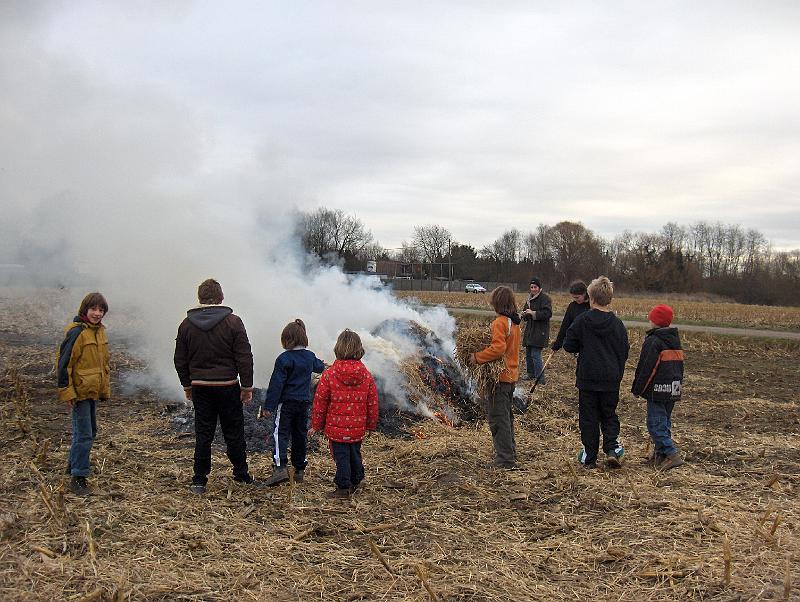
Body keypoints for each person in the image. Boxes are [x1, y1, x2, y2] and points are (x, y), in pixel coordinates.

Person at [174, 279, 259, 494]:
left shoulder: (186, 325)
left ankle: (199, 480)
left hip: (201, 387)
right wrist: (247, 387)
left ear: (200, 299)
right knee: (234, 432)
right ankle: (241, 474)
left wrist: (187, 384)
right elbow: (244, 357)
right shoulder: (233, 322)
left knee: (203, 433)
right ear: (221, 298)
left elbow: (180, 359)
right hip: (228, 386)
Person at [563, 276, 629, 469]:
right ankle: (611, 448)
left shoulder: (583, 320)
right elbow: (624, 351)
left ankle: (589, 456)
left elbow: (569, 344)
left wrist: (581, 347)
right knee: (609, 414)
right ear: (609, 299)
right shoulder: (618, 325)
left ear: (590, 298)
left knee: (589, 417)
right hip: (610, 379)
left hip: (588, 379)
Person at [310, 330, 378, 499]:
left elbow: (320, 402)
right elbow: (372, 403)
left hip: (336, 429)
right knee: (355, 452)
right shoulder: (366, 375)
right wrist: (371, 424)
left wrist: (317, 425)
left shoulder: (329, 375)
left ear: (338, 348)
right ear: (359, 349)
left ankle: (342, 487)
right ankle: (356, 479)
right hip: (357, 427)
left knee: (341, 458)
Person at [57, 292, 111, 496]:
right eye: (94, 309)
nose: (97, 313)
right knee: (85, 434)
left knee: (89, 431)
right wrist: (67, 391)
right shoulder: (77, 332)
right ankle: (78, 478)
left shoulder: (99, 332)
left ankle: (72, 466)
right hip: (79, 392)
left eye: (101, 310)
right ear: (84, 310)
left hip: (91, 391)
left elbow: (102, 364)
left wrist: (103, 388)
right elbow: (64, 364)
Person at [262, 319, 325, 486]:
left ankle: (280, 467)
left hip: (287, 404)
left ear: (287, 339)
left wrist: (269, 406)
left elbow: (276, 384)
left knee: (280, 434)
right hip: (303, 403)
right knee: (300, 435)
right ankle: (299, 469)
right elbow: (319, 367)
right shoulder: (309, 356)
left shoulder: (284, 359)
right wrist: (326, 365)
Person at [468, 286, 522, 469]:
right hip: (511, 377)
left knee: (499, 420)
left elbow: (498, 349)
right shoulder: (514, 322)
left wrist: (477, 357)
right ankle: (510, 453)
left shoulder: (500, 322)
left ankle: (505, 460)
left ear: (496, 303)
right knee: (507, 417)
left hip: (499, 379)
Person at [631, 304, 685, 471]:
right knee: (664, 423)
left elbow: (648, 368)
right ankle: (659, 456)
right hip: (673, 389)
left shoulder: (653, 341)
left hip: (658, 391)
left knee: (655, 424)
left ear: (654, 321)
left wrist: (638, 388)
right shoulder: (674, 340)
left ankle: (671, 453)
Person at [521, 278, 552, 383]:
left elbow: (547, 313)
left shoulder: (545, 299)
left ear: (539, 288)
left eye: (535, 287)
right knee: (528, 353)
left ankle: (540, 378)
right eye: (531, 287)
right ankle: (531, 374)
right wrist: (524, 314)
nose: (533, 289)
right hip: (530, 330)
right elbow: (526, 312)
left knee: (535, 354)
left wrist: (533, 313)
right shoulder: (529, 299)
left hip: (540, 331)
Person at [551, 281, 590, 352]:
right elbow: (565, 325)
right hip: (578, 343)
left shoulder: (592, 305)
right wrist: (558, 343)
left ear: (584, 293)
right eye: (573, 297)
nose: (575, 299)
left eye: (577, 297)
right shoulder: (572, 306)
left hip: (591, 343)